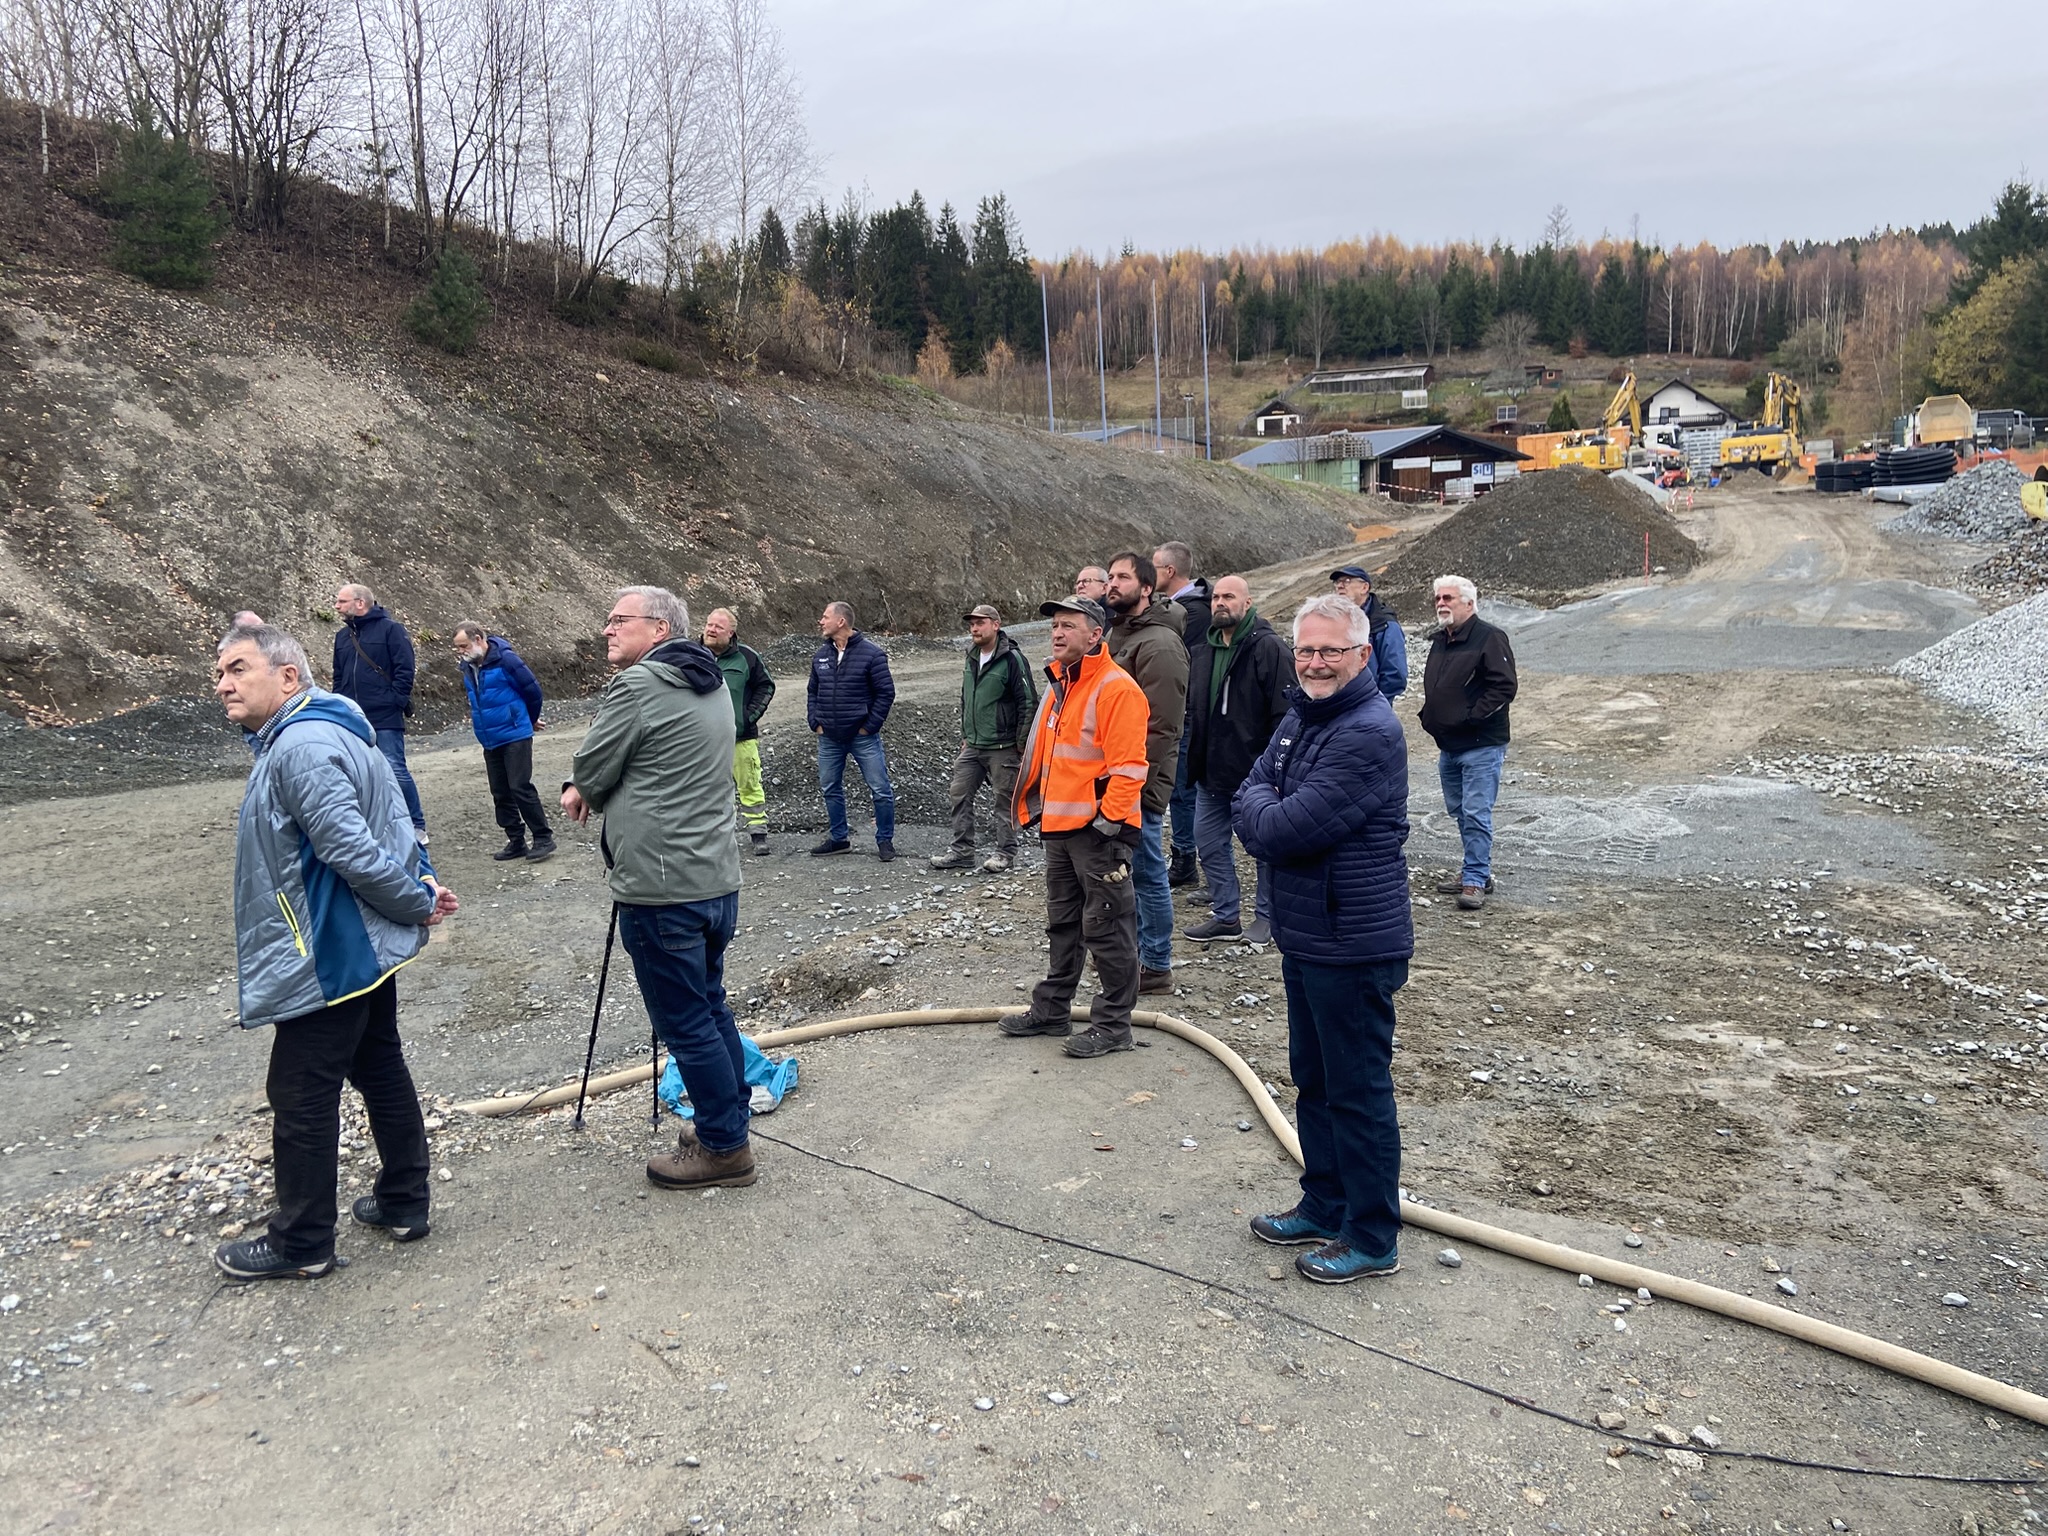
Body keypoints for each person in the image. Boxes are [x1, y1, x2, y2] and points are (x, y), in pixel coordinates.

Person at [211, 621, 458, 1280]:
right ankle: (405, 1201)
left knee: (298, 1091)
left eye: (237, 669)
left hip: (331, 951)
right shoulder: (336, 731)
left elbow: (350, 847)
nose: (223, 685)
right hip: (358, 942)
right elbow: (394, 820)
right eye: (219, 673)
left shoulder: (299, 747)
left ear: (288, 677)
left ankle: (302, 1242)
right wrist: (422, 878)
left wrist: (416, 899)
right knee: (378, 1065)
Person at [1233, 593, 1412, 1284]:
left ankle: (1371, 1235)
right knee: (1314, 1079)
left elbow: (1279, 829)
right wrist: (1267, 807)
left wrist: (1266, 810)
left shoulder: (1367, 731)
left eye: (1330, 650)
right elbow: (1256, 791)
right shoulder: (1303, 716)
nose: (1314, 661)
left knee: (1357, 1090)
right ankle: (1325, 1201)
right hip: (1309, 934)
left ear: (1362, 655)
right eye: (1307, 649)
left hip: (1353, 940)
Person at [560, 587, 755, 1191]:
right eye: (609, 619)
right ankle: (726, 1121)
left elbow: (593, 767)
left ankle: (725, 1150)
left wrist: (579, 787)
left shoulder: (638, 686)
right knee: (710, 1005)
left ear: (661, 630)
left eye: (621, 620)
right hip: (714, 879)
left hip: (661, 887)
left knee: (687, 1022)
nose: (608, 629)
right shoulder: (713, 682)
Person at [1005, 596, 1150, 1058]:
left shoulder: (1115, 689)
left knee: (1107, 928)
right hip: (1062, 829)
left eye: (1068, 625)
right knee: (1064, 923)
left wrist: (1108, 825)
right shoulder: (1062, 687)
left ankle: (1113, 1026)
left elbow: (1130, 768)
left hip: (1098, 834)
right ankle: (1052, 1009)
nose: (1057, 633)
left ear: (1095, 635)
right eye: (1054, 626)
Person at [1181, 575, 1292, 949]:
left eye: (1229, 597)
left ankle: (1266, 917)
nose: (1219, 603)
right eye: (1215, 597)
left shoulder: (1268, 648)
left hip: (1256, 773)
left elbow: (1285, 713)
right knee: (1208, 843)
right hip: (1211, 772)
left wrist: (1276, 768)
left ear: (1248, 603)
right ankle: (1226, 915)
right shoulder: (1203, 650)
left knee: (1263, 848)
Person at [1102, 551, 1188, 995]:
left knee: (1148, 871)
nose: (1111, 584)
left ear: (1148, 588)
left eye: (1122, 577)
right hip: (1118, 777)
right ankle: (1133, 956)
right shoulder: (1122, 633)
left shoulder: (1158, 644)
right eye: (1109, 576)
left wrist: (1133, 784)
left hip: (1137, 781)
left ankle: (1156, 965)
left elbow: (1161, 726)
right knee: (1126, 870)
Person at [1419, 574, 1518, 911]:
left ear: (1469, 603)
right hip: (1449, 745)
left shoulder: (1489, 637)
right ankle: (1477, 869)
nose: (1441, 604)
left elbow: (1504, 688)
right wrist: (1430, 715)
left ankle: (1475, 879)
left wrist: (1470, 716)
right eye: (1438, 599)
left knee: (1476, 812)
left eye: (1448, 598)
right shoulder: (1441, 640)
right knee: (1460, 811)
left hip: (1481, 744)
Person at [933, 604, 1036, 874]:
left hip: (1003, 747)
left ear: (996, 625)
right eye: (972, 624)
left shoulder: (1013, 659)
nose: (975, 628)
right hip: (974, 745)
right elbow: (967, 696)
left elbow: (1028, 702)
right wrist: (966, 734)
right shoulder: (971, 655)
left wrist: (1021, 745)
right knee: (959, 793)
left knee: (1004, 801)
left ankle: (1005, 853)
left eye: (980, 623)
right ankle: (962, 851)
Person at [331, 583, 428, 844]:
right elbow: (338, 677)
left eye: (341, 601)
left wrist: (394, 700)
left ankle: (416, 824)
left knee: (395, 769)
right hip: (352, 718)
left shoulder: (392, 630)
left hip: (385, 715)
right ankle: (377, 825)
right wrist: (339, 706)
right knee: (360, 772)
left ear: (360, 603)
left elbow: (405, 669)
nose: (337, 606)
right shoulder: (342, 637)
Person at [453, 621, 555, 863]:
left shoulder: (507, 661)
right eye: (457, 647)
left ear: (478, 639)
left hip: (515, 734)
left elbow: (533, 691)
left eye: (463, 646)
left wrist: (528, 720)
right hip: (490, 738)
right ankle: (516, 840)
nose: (460, 651)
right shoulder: (468, 667)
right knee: (500, 791)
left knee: (520, 786)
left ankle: (543, 838)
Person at [805, 600, 897, 861]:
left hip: (862, 738)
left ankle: (885, 841)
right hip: (829, 738)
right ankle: (838, 839)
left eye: (825, 617)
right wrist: (815, 721)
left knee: (880, 789)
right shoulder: (821, 655)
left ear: (841, 621)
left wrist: (869, 727)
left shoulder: (872, 655)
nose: (821, 622)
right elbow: (812, 691)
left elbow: (886, 693)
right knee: (830, 788)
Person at [1151, 541, 1210, 888]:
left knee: (1183, 790)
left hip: (1184, 712)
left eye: (1154, 568)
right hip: (1185, 710)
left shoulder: (1190, 613)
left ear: (1169, 572)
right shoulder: (1193, 607)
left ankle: (1185, 858)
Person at [702, 607, 776, 857]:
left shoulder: (747, 657)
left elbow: (765, 686)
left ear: (731, 632)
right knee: (707, 788)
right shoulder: (691, 654)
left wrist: (747, 717)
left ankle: (758, 833)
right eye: (709, 625)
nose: (711, 630)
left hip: (740, 738)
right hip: (702, 740)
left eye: (718, 627)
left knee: (750, 783)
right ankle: (714, 837)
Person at [1330, 565, 1408, 701]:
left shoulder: (1384, 624)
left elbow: (1396, 674)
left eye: (1347, 581)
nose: (1340, 586)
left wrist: (1376, 703)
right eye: (1337, 582)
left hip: (1369, 705)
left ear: (1364, 587)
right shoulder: (1335, 621)